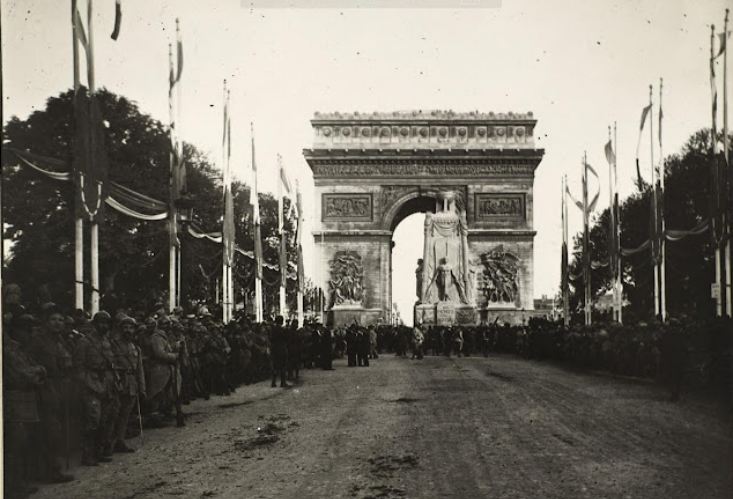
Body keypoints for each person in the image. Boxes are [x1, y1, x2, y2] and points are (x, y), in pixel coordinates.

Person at [26, 305, 76, 480]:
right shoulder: (38, 340)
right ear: (46, 322)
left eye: (61, 320)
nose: (57, 323)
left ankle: (51, 467)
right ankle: (50, 470)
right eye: (53, 319)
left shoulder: (60, 340)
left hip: (60, 386)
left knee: (57, 426)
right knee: (50, 429)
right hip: (45, 387)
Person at [72, 311, 119, 466]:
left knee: (103, 420)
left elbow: (111, 364)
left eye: (106, 323)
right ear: (94, 323)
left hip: (106, 384)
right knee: (92, 420)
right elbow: (78, 367)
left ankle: (98, 452)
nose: (103, 326)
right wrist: (87, 385)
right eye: (100, 322)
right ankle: (87, 454)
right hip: (91, 384)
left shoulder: (107, 341)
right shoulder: (85, 342)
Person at [110, 314, 146, 453]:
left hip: (131, 384)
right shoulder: (113, 345)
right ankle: (108, 443)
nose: (128, 330)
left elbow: (140, 370)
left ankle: (120, 440)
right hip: (118, 382)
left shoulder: (136, 348)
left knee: (125, 414)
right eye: (125, 327)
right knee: (114, 413)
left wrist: (142, 388)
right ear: (120, 329)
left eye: (131, 327)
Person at [270, 316, 289, 388]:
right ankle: (283, 382)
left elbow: (271, 339)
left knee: (275, 365)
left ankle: (273, 382)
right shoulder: (283, 330)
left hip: (275, 348)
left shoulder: (273, 330)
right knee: (283, 366)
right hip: (282, 348)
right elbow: (286, 338)